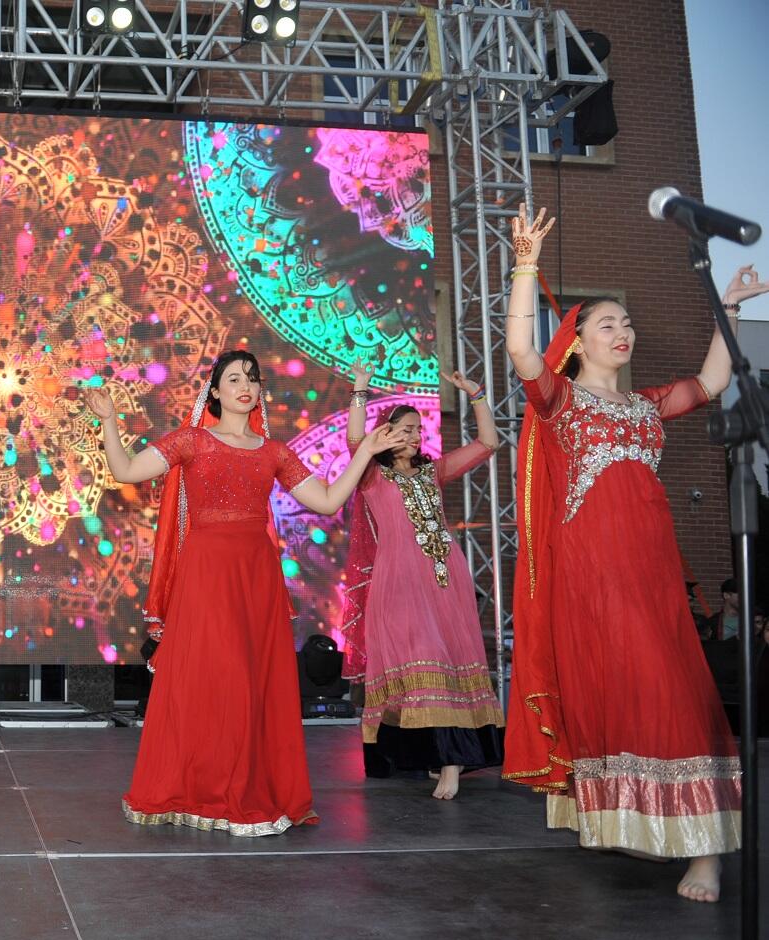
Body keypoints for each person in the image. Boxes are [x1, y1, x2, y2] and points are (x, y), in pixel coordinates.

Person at [503, 204, 766, 903]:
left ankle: (706, 850)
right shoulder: (561, 400)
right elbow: (522, 351)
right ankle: (637, 820)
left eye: (627, 323)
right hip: (588, 579)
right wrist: (525, 263)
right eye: (607, 324)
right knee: (612, 692)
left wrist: (729, 308)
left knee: (671, 685)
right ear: (578, 341)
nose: (623, 332)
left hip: (649, 574)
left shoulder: (647, 405)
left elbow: (711, 384)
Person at [84, 350, 398, 836]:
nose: (245, 386)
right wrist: (108, 421)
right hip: (207, 572)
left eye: (251, 378)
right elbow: (125, 470)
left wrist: (366, 452)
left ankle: (242, 787)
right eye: (233, 379)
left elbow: (328, 500)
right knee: (214, 676)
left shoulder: (274, 452)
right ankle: (200, 787)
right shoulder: (191, 440)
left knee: (250, 682)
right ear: (214, 391)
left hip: (256, 575)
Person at [340, 363, 505, 799]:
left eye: (418, 429)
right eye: (405, 429)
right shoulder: (373, 475)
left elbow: (488, 444)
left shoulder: (434, 471)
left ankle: (451, 760)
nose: (415, 436)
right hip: (398, 582)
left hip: (445, 578)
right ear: (386, 433)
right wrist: (360, 389)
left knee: (447, 660)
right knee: (419, 660)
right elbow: (356, 440)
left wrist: (476, 394)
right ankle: (428, 755)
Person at [709, 577, 741, 641]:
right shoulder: (713, 622)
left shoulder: (752, 620)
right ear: (726, 595)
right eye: (741, 594)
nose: (745, 598)